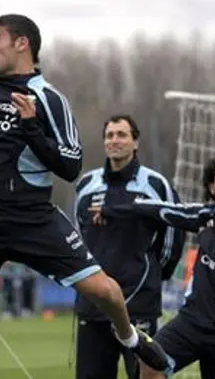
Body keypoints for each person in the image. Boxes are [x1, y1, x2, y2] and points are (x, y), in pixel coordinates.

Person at [0, 14, 170, 379]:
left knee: (104, 292)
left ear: (22, 43)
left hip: (30, 216)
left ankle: (129, 334)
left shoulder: (48, 97)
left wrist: (31, 127)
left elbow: (71, 165)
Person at [91, 150, 215, 379]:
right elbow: (157, 209)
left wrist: (207, 240)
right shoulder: (206, 215)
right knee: (150, 362)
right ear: (211, 187)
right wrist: (110, 210)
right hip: (192, 321)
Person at [73, 115, 185, 379]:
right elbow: (78, 240)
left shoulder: (156, 185)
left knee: (146, 376)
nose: (115, 140)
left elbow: (173, 234)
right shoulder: (86, 185)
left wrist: (154, 275)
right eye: (110, 135)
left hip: (138, 303)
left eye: (122, 135)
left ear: (135, 142)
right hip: (94, 304)